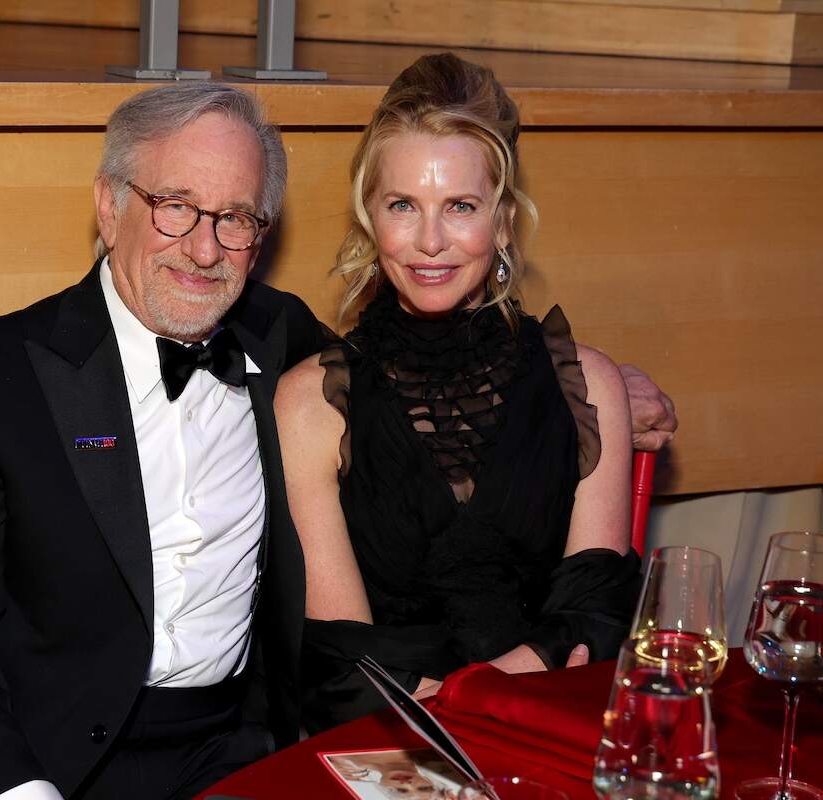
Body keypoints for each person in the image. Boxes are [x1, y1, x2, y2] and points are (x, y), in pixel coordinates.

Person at [0, 84, 323, 800]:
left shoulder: (283, 338)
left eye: (235, 218)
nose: (205, 250)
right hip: (34, 758)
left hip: (229, 754)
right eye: (174, 207)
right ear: (110, 207)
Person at [275, 53, 653, 733]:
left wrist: (481, 702)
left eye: (460, 207)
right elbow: (341, 660)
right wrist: (461, 719)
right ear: (370, 217)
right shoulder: (311, 404)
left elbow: (593, 616)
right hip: (390, 745)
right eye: (402, 206)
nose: (428, 242)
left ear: (503, 222)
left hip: (551, 725)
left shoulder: (588, 387)